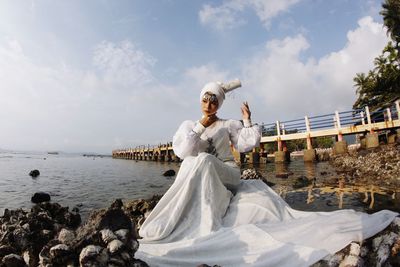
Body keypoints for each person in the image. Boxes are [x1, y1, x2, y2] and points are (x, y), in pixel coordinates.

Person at [136, 81, 398, 267]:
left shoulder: (228, 124)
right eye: (206, 98)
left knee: (203, 159)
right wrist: (201, 126)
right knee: (195, 162)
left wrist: (248, 120)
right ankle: (180, 220)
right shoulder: (188, 126)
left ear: (219, 104)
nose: (209, 103)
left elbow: (247, 143)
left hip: (227, 173)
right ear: (200, 100)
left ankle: (203, 222)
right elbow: (183, 151)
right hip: (200, 173)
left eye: (214, 100)